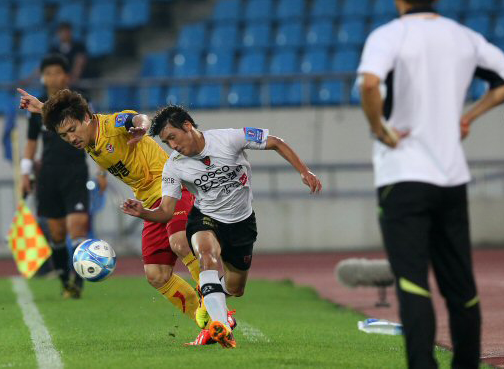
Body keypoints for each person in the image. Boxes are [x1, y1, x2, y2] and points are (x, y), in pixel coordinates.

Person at [357, 0, 504, 367]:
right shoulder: (464, 36)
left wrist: (380, 128)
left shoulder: (388, 35)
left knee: (413, 283)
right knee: (461, 285)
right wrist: (470, 115)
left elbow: (368, 84)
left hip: (402, 177)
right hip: (451, 179)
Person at [17, 88, 212, 344]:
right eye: (64, 135)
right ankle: (210, 324)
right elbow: (66, 119)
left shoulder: (111, 125)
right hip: (149, 201)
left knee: (179, 242)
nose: (71, 138)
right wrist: (42, 107)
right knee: (156, 275)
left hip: (172, 188)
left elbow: (135, 118)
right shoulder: (86, 135)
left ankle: (215, 309)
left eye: (73, 130)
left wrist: (141, 127)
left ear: (87, 117)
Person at [120, 105, 322, 348]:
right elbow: (166, 212)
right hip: (205, 217)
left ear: (187, 126)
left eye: (172, 137)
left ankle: (210, 292)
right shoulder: (174, 166)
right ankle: (220, 326)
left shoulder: (230, 138)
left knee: (236, 288)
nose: (172, 146)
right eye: (166, 142)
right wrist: (144, 212)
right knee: (206, 255)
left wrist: (303, 171)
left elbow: (276, 142)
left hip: (242, 222)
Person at [22, 54, 97, 299]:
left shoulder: (77, 104)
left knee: (77, 228)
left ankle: (78, 280)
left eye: (58, 72)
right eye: (49, 73)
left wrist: (102, 171)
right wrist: (26, 173)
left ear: (66, 75)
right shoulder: (36, 107)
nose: (53, 77)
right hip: (49, 174)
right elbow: (31, 143)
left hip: (76, 171)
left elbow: (98, 134)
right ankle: (65, 282)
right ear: (43, 77)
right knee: (55, 233)